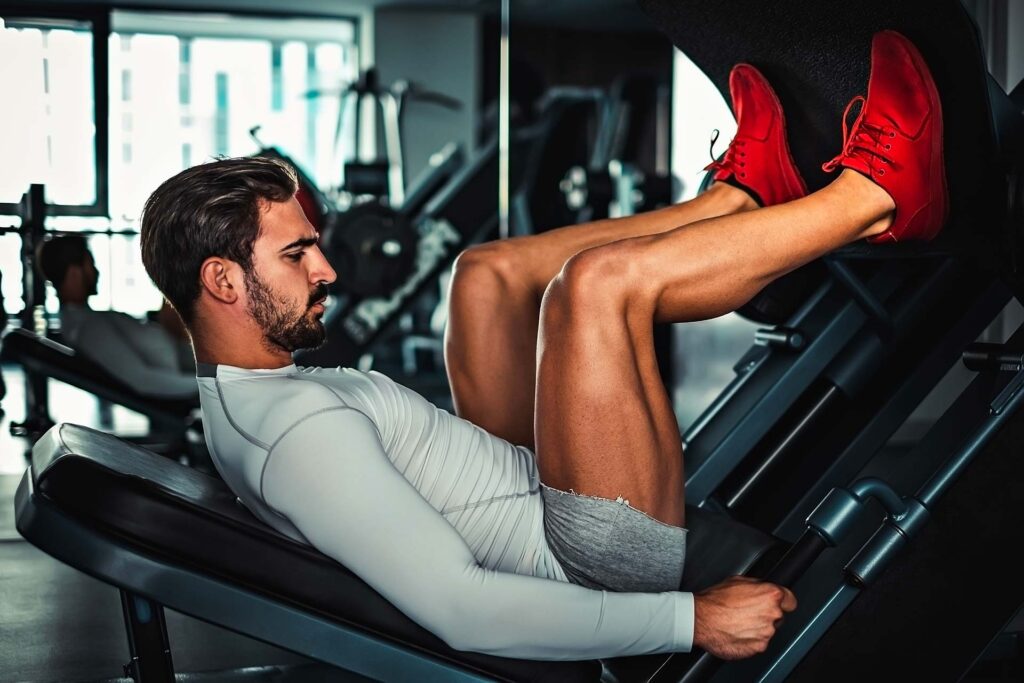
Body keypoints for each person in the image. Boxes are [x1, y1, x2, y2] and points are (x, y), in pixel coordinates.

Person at [139, 31, 943, 661]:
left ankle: (743, 197)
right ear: (223, 281)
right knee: (593, 287)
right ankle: (873, 199)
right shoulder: (296, 438)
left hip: (521, 496)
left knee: (483, 274)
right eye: (296, 255)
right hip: (589, 560)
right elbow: (464, 610)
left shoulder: (253, 395)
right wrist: (691, 618)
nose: (330, 269)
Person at [37, 234, 198, 400]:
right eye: (90, 264)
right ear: (74, 273)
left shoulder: (82, 321)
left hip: (191, 361)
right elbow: (142, 380)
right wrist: (211, 387)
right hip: (191, 370)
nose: (96, 272)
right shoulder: (89, 329)